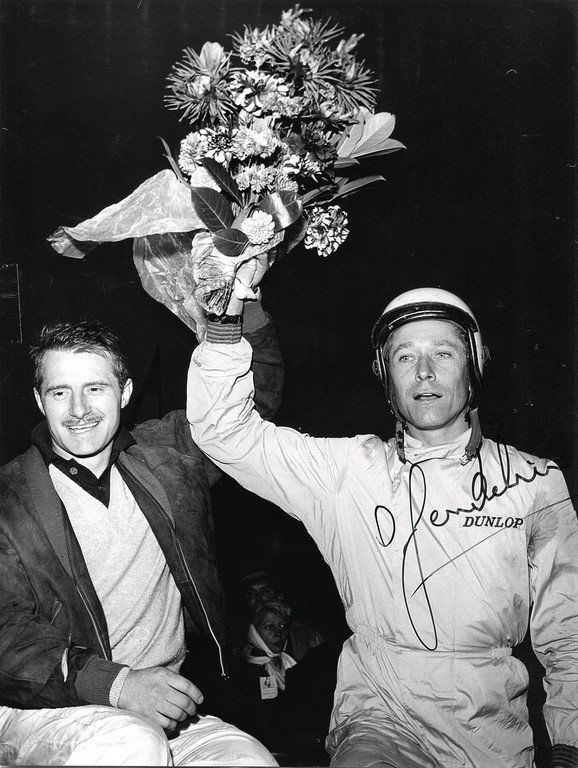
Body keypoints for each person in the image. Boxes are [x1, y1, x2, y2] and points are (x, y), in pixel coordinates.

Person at [187, 285, 578, 768]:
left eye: (444, 353)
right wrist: (229, 310)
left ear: (473, 364)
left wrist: (569, 743)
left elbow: (569, 631)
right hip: (379, 717)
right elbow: (224, 433)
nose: (424, 372)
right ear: (385, 377)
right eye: (404, 357)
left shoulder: (536, 481)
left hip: (489, 733)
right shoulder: (348, 472)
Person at [0, 301, 282, 766]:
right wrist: (115, 683)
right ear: (38, 400)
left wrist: (239, 301)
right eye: (59, 393)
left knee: (248, 759)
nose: (79, 411)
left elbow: (249, 404)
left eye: (95, 388)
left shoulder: (167, 458)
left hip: (161, 712)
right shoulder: (9, 499)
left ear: (125, 391)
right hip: (45, 711)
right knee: (131, 746)